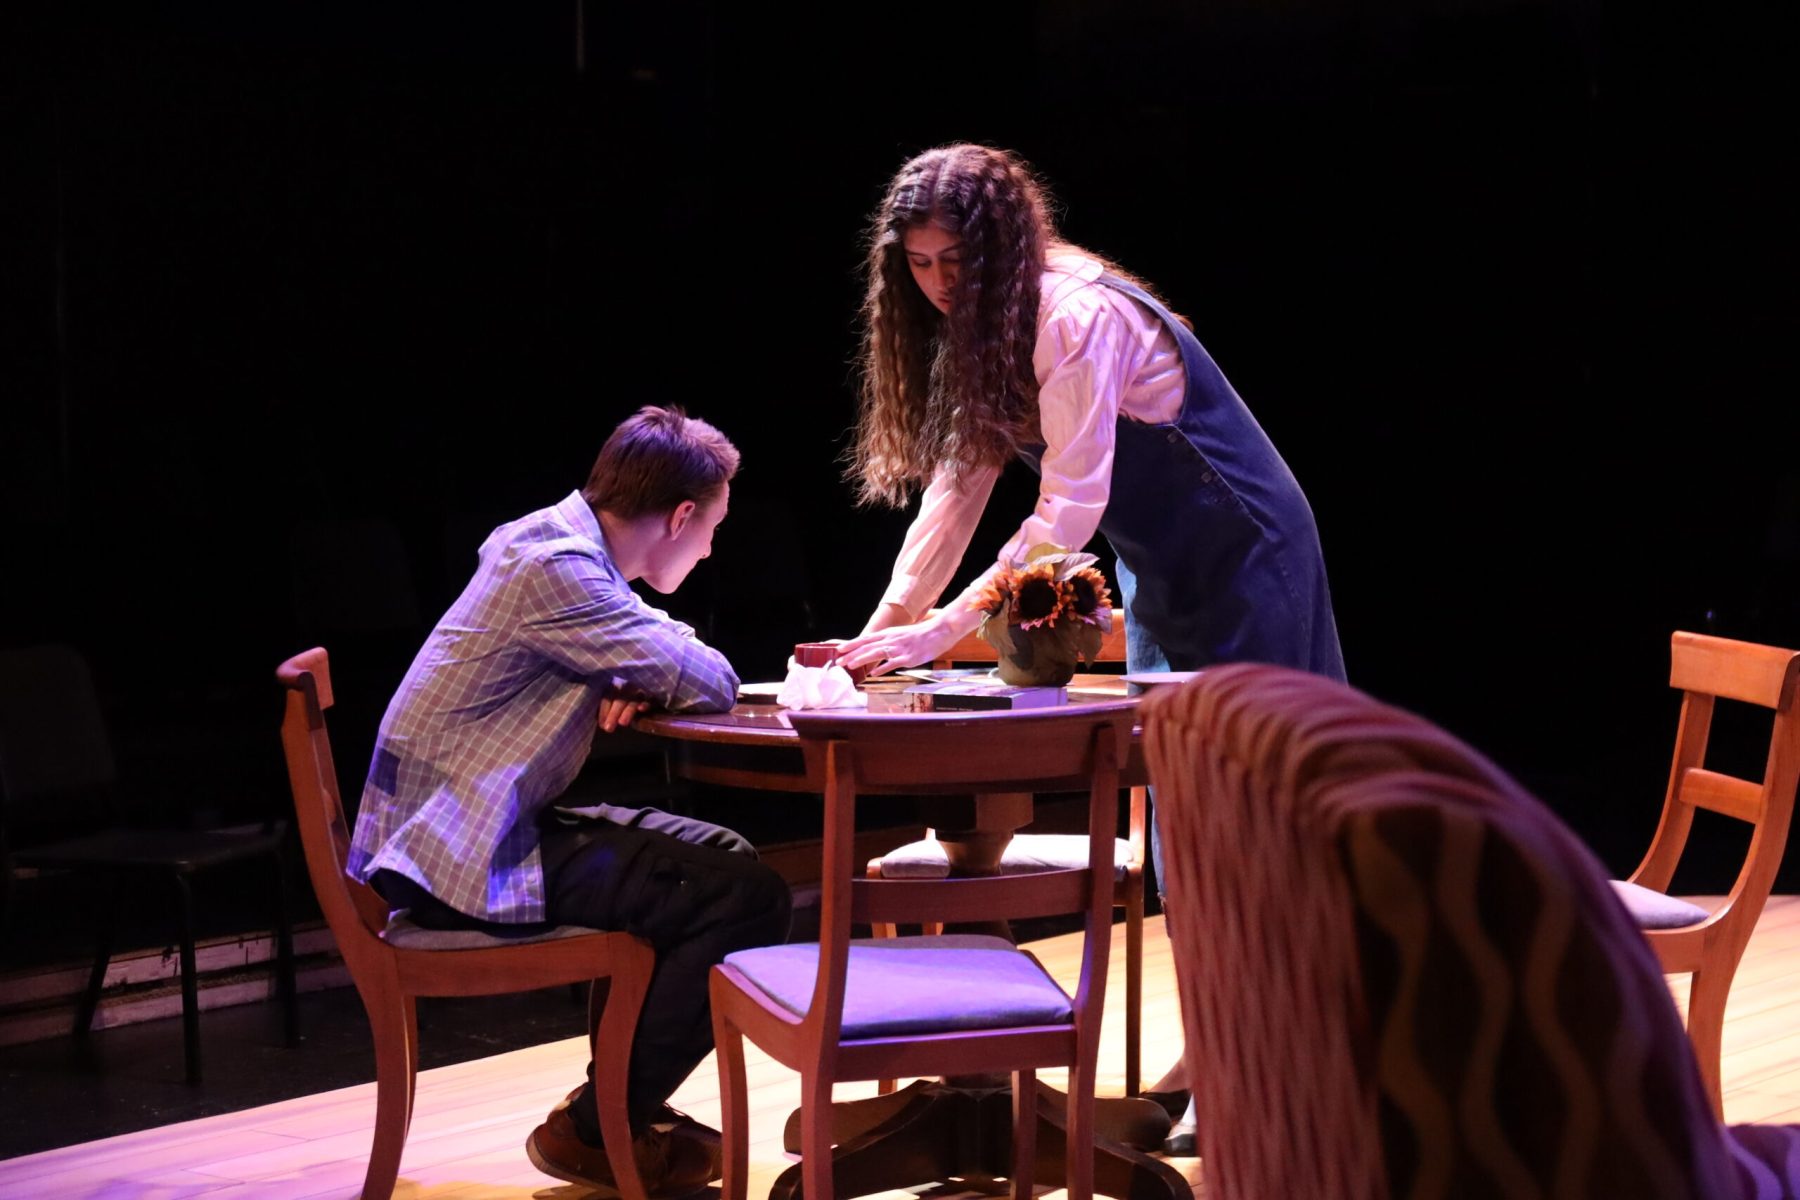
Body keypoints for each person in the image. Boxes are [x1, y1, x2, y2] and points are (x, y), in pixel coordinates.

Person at [835, 143, 1346, 1151]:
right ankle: (1219, 1051)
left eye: (954, 262)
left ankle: (1282, 1070)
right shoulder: (988, 328)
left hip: (1245, 558)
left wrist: (943, 630)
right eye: (920, 265)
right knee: (1187, 831)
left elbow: (1068, 510)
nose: (938, 284)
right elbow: (957, 492)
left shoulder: (1074, 313)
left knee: (1256, 824)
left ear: (1000, 243)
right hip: (1167, 573)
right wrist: (882, 632)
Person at [348, 405, 791, 1197]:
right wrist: (646, 662)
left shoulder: (549, 542)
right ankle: (596, 1129)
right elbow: (713, 680)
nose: (709, 548)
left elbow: (651, 650)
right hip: (456, 853)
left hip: (461, 828)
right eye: (710, 529)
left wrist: (631, 666)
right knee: (745, 898)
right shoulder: (561, 570)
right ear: (680, 517)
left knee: (723, 860)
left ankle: (619, 1110)